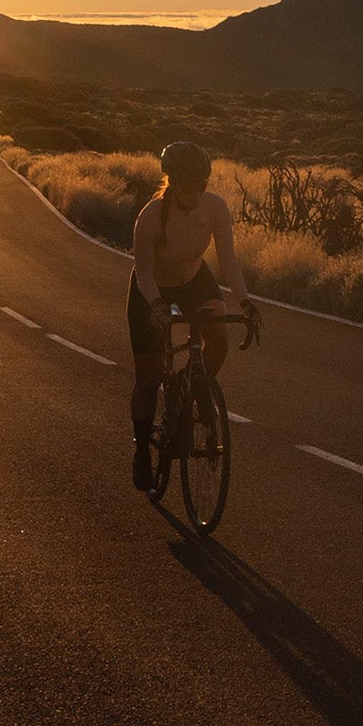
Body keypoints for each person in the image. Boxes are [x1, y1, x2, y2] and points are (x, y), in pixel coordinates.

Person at [127, 141, 256, 492]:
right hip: (152, 287)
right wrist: (155, 304)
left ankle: (195, 385)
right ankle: (142, 452)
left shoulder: (214, 207)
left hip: (194, 280)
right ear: (172, 182)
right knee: (148, 378)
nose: (196, 192)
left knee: (218, 336)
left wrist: (245, 303)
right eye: (188, 185)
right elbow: (143, 273)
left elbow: (228, 261)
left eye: (202, 184)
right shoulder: (151, 216)